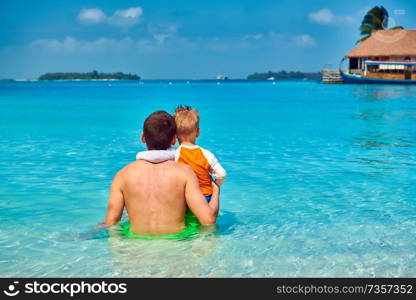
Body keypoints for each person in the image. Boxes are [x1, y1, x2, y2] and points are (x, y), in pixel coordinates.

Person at [103, 110, 220, 237]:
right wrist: (216, 190)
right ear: (174, 139)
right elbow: (208, 220)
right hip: (178, 247)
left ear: (143, 137)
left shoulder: (122, 175)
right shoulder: (185, 173)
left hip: (135, 250)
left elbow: (110, 223)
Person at [136, 106, 226, 203]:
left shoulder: (175, 153)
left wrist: (139, 156)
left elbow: (156, 157)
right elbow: (221, 174)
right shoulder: (207, 154)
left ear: (175, 135)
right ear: (198, 132)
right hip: (207, 197)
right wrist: (215, 185)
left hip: (185, 198)